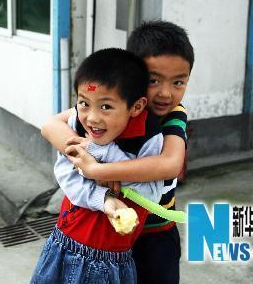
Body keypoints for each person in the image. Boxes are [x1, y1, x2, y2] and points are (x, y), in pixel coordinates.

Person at [43, 21, 194, 284]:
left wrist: (98, 170)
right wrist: (87, 155)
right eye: (153, 80)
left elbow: (169, 164)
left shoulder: (173, 116)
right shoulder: (109, 107)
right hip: (108, 235)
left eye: (178, 82)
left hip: (154, 233)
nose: (166, 93)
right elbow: (50, 126)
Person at [31, 48, 164, 284]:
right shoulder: (76, 124)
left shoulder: (148, 137)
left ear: (136, 107)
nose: (92, 118)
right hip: (63, 244)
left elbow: (152, 192)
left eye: (105, 107)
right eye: (84, 103)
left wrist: (102, 154)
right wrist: (103, 199)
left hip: (112, 260)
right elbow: (65, 173)